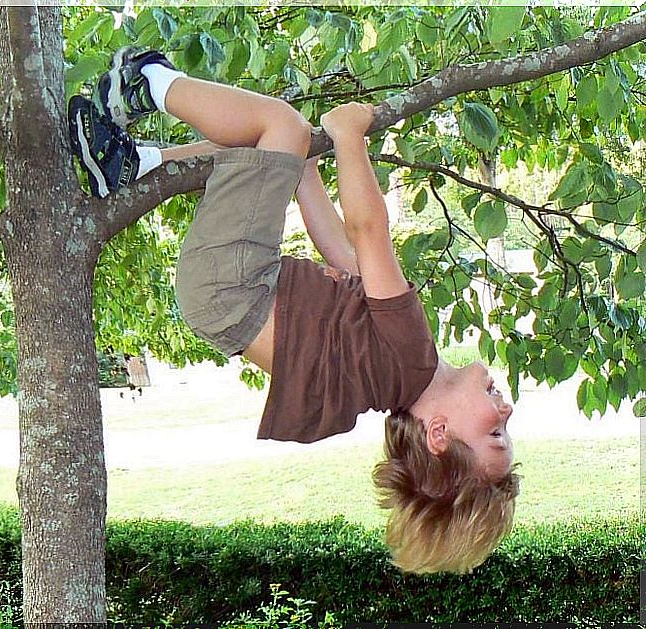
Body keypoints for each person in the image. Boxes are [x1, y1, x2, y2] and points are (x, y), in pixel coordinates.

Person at [67, 47, 520, 574]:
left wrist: (349, 137)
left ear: (438, 434)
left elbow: (369, 232)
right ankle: (134, 165)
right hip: (228, 296)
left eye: (495, 435)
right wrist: (305, 174)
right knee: (273, 145)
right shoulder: (394, 375)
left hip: (235, 286)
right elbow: (346, 259)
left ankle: (146, 83)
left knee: (278, 124)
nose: (507, 414)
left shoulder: (412, 358)